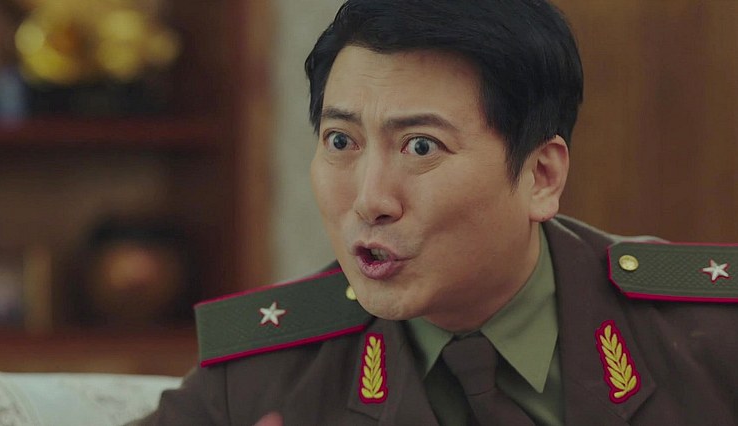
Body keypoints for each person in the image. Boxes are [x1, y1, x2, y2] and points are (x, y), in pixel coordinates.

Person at [131, 1, 738, 424]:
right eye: (341, 141)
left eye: (421, 147)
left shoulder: (710, 336)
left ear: (541, 176)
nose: (370, 199)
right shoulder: (264, 375)